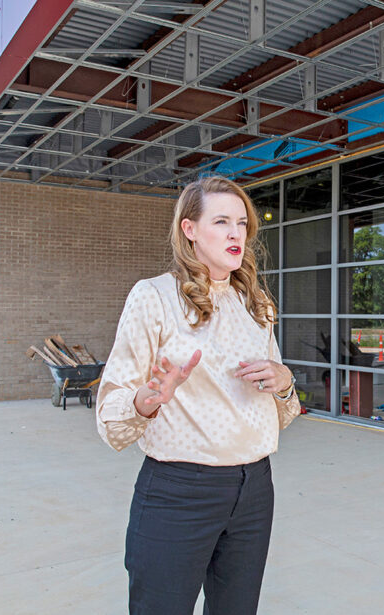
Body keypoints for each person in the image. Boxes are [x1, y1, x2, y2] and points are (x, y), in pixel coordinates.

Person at [95, 175, 300, 615]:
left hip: (255, 488)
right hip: (179, 491)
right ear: (189, 229)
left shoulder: (255, 303)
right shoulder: (153, 297)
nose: (235, 234)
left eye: (242, 224)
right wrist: (147, 400)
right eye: (221, 221)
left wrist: (284, 381)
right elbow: (111, 414)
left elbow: (282, 413)